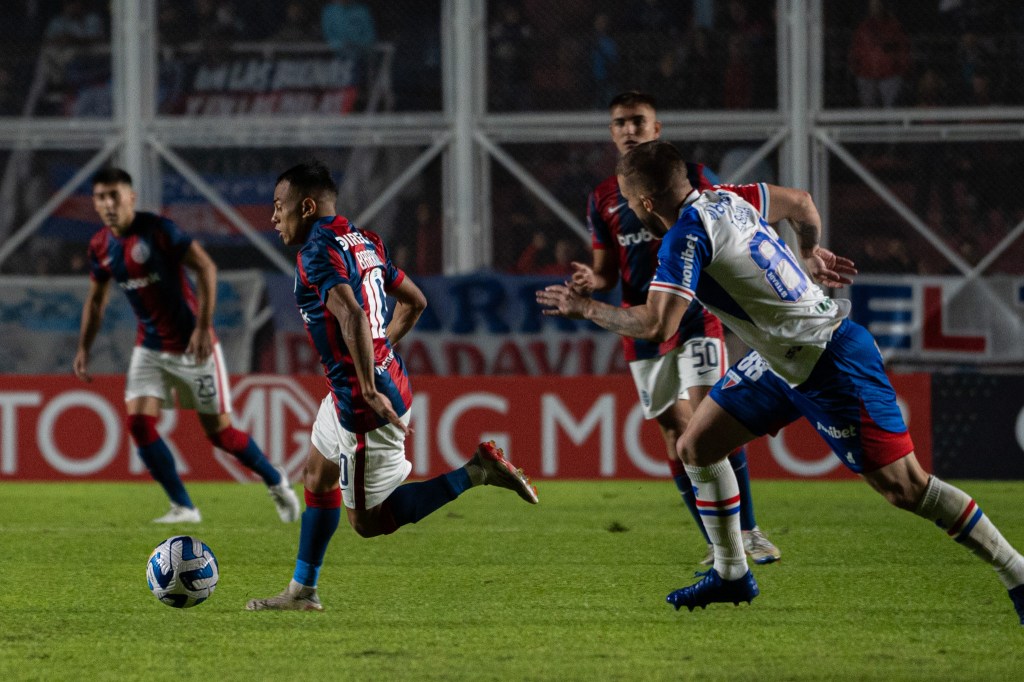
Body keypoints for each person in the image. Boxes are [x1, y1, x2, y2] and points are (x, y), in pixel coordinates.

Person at [538, 140, 1024, 623]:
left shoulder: (684, 236)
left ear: (645, 203)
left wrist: (585, 309)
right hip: (778, 358)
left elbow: (657, 325)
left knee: (906, 488)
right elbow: (802, 203)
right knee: (697, 446)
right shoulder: (728, 195)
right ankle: (732, 573)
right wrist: (810, 251)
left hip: (829, 359)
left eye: (627, 199)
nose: (625, 207)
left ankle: (1017, 572)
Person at [246, 161, 538, 611]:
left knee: (368, 522)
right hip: (360, 387)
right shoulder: (366, 241)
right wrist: (378, 354)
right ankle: (302, 592)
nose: (273, 217)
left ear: (306, 207)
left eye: (279, 207)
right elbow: (415, 301)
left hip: (362, 404)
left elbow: (352, 314)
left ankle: (477, 471)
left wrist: (366, 384)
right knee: (316, 476)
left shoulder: (316, 253)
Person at [575, 91, 779, 566]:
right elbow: (607, 272)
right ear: (611, 132)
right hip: (641, 325)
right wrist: (593, 280)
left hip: (694, 315)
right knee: (674, 434)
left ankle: (748, 532)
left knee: (712, 419)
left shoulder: (691, 180)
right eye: (620, 122)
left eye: (637, 121)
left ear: (656, 128)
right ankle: (715, 542)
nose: (629, 129)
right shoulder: (602, 197)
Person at [74, 167, 300, 524]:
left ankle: (276, 480)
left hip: (194, 347)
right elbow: (96, 301)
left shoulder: (159, 231)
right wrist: (84, 348)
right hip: (148, 347)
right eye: (101, 197)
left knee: (221, 435)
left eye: (114, 195)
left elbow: (206, 267)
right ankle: (184, 506)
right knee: (139, 424)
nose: (107, 204)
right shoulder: (100, 246)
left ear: (130, 197)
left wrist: (202, 327)